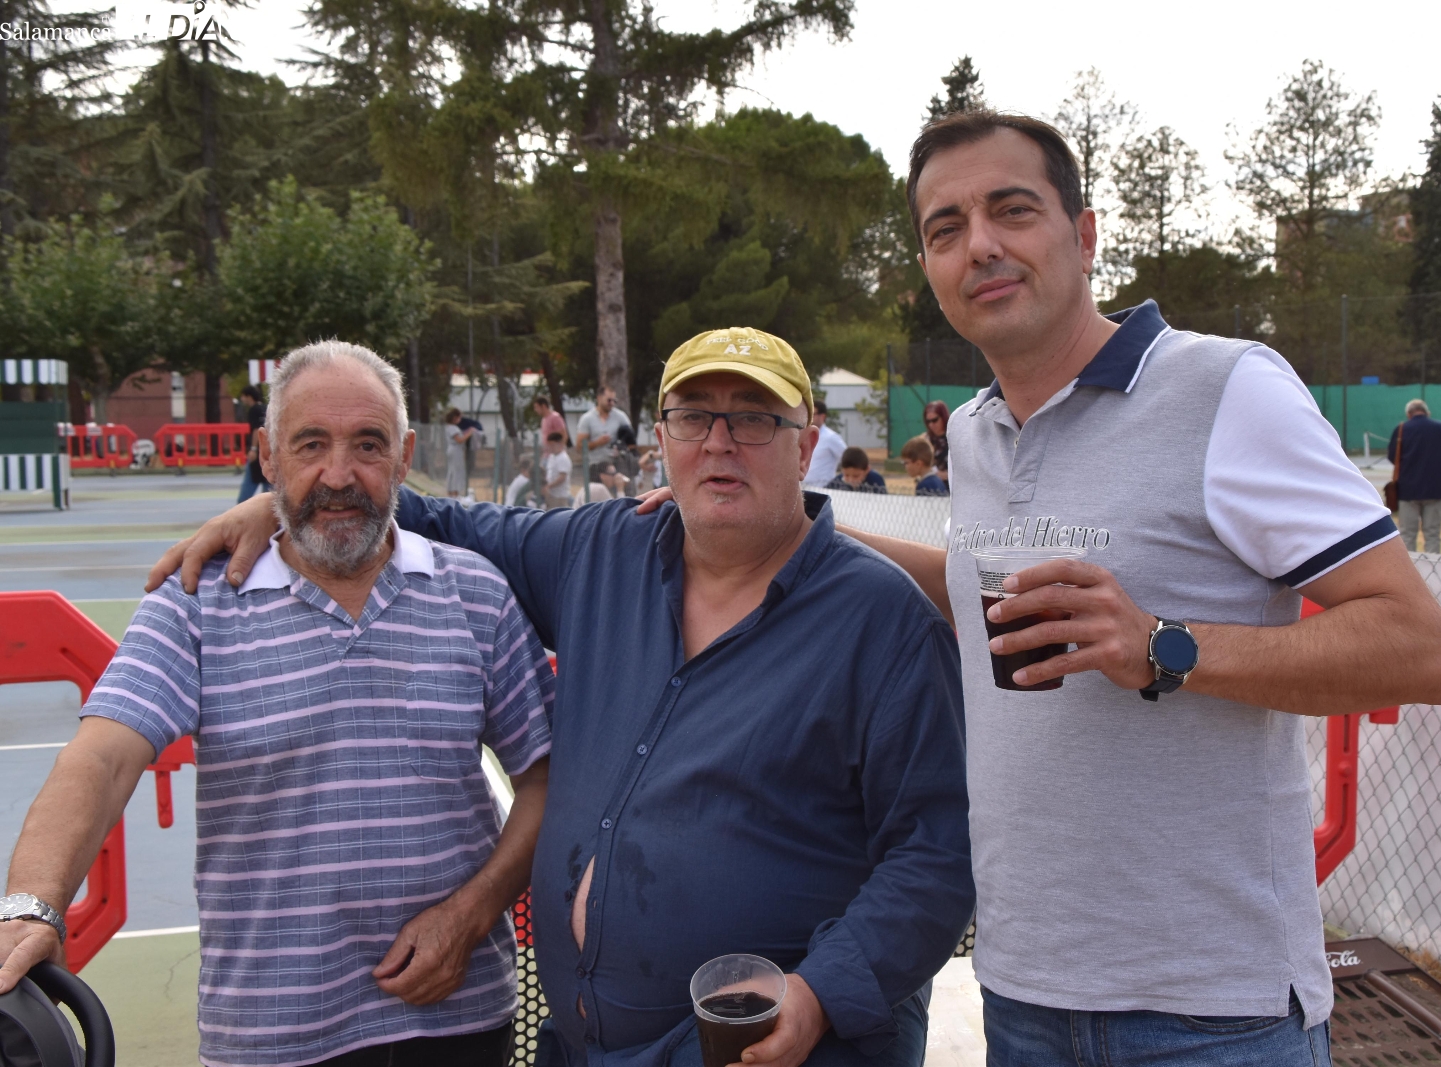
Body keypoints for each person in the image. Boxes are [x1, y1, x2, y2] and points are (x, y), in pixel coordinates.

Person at [148, 326, 974, 1067]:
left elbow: (936, 856)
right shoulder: (598, 552)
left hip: (767, 1047)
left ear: (805, 447)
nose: (720, 442)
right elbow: (436, 517)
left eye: (754, 419)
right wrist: (278, 499)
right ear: (661, 440)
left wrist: (821, 990)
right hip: (581, 1042)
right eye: (694, 416)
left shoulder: (885, 621)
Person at [826, 110, 1441, 1065]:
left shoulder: (1223, 388)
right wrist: (799, 529)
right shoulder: (975, 431)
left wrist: (1163, 644)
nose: (980, 246)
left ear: (1083, 237)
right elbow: (970, 592)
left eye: (1011, 209)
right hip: (1023, 990)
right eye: (944, 229)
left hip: (1210, 1012)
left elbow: (1421, 649)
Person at [2, 341, 555, 1067]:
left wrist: (473, 910)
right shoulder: (197, 603)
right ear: (267, 456)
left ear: (403, 454)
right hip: (271, 1035)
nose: (338, 474)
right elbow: (101, 759)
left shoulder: (475, 593)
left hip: (457, 1022)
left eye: (367, 444)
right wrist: (31, 906)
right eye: (310, 444)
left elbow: (547, 776)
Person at [1387, 399, 1441, 555]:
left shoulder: (1401, 429)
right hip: (1436, 488)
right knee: (1432, 534)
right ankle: (1433, 571)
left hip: (1408, 489)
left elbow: (1393, 457)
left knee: (1407, 534)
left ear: (1408, 414)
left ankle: (1410, 572)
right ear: (1427, 412)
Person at [574, 386, 631, 486]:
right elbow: (579, 446)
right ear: (599, 398)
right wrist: (597, 443)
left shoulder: (620, 417)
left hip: (616, 466)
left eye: (614, 400)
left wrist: (621, 447)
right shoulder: (587, 419)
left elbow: (631, 439)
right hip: (595, 468)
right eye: (609, 400)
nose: (612, 403)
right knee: (597, 497)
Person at [802, 399, 847, 486]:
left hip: (823, 489)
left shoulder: (831, 437)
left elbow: (847, 459)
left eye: (813, 414)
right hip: (804, 488)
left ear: (822, 416)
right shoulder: (804, 435)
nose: (809, 417)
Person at [236, 384, 269, 502]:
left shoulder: (253, 410)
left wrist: (253, 448)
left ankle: (241, 506)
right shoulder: (265, 408)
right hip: (268, 451)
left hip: (259, 450)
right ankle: (269, 509)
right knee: (268, 481)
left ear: (249, 397)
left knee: (249, 481)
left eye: (243, 396)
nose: (242, 399)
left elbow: (256, 429)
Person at [823, 448, 887, 493]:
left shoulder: (875, 481)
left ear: (867, 470)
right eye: (846, 475)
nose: (851, 480)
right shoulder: (837, 482)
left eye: (856, 476)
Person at [445, 407, 477, 498]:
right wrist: (470, 432)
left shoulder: (451, 427)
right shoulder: (453, 428)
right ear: (455, 417)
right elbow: (459, 439)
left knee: (452, 471)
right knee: (456, 472)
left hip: (453, 450)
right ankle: (454, 493)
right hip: (455, 451)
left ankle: (452, 493)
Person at [543, 429, 573, 509]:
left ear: (560, 444)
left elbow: (562, 477)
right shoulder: (552, 457)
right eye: (549, 445)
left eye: (552, 445)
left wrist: (548, 486)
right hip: (551, 494)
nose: (550, 447)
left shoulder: (563, 458)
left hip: (560, 496)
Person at [922, 401, 950, 482]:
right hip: (931, 483)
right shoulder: (926, 439)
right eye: (928, 421)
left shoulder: (953, 438)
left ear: (943, 418)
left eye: (935, 420)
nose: (931, 425)